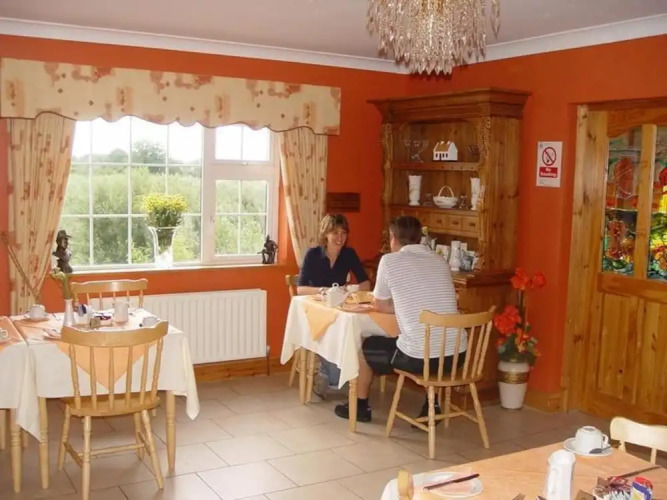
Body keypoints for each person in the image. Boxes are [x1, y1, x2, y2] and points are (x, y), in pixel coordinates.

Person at [333, 215, 464, 422]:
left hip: (418, 359)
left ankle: (360, 407)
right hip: (457, 355)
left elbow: (380, 305)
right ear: (419, 238)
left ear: (393, 238)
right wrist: (407, 305)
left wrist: (400, 306)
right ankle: (433, 405)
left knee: (364, 345)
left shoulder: (389, 261)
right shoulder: (440, 261)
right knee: (432, 342)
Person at [297, 213, 371, 394]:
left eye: (343, 233)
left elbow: (366, 284)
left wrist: (348, 290)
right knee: (332, 332)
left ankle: (329, 375)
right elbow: (300, 289)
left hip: (338, 310)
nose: (340, 238)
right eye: (335, 233)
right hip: (315, 311)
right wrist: (324, 291)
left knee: (350, 330)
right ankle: (334, 377)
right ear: (326, 234)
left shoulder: (348, 254)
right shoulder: (312, 254)